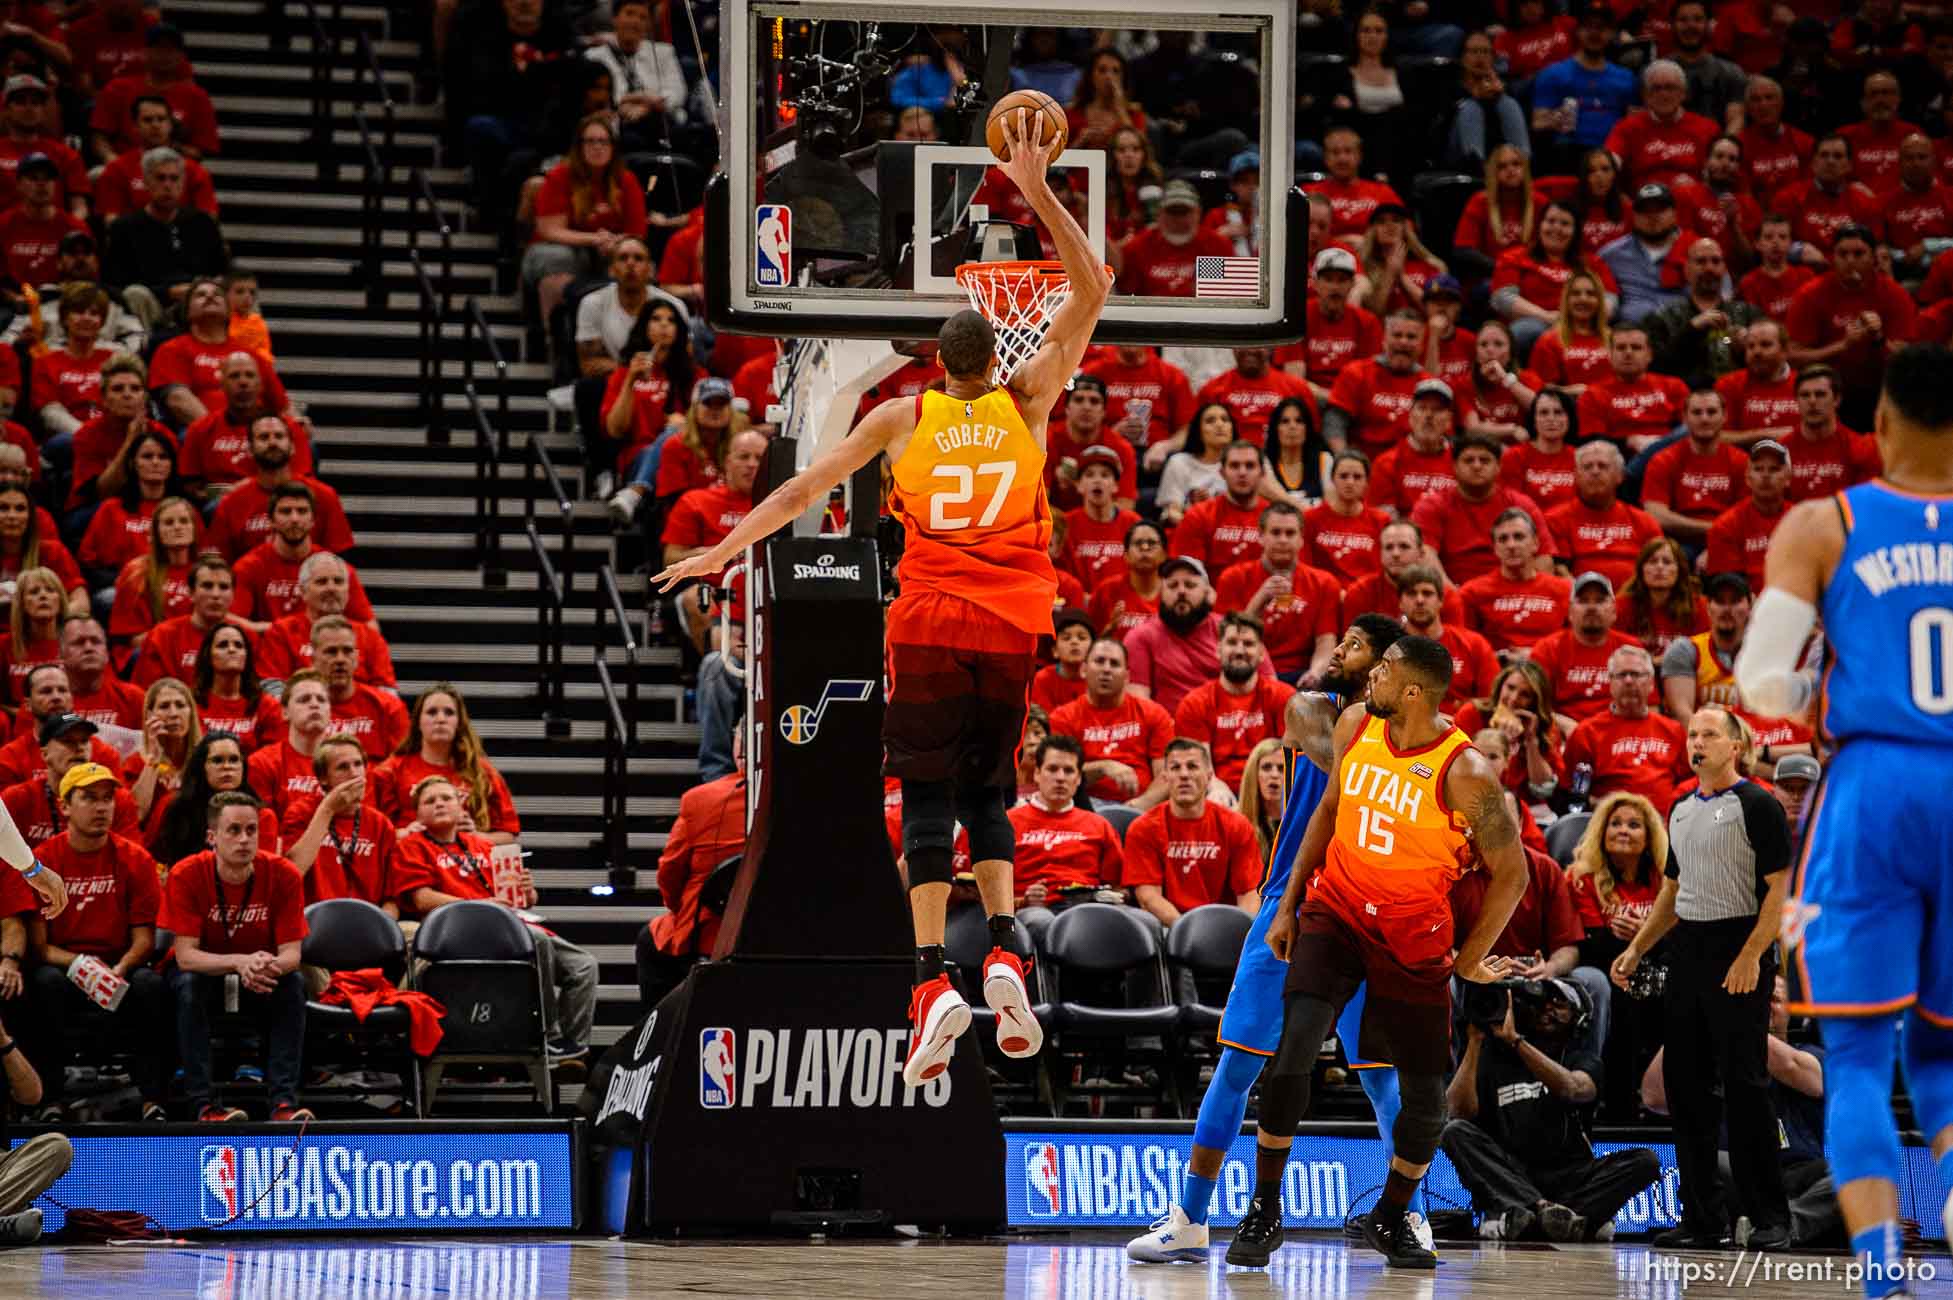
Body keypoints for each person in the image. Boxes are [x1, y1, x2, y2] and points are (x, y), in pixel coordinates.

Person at [653, 109, 1108, 1088]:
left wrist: (719, 550)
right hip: (1014, 624)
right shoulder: (1030, 399)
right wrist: (1032, 191)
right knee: (992, 793)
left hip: (931, 621)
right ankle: (1004, 950)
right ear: (998, 357)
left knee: (929, 797)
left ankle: (929, 977)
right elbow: (1095, 285)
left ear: (934, 364)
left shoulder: (903, 417)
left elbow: (798, 492)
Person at [1735, 342, 1953, 1291]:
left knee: (1860, 1053)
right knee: (1945, 1059)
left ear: (1880, 425)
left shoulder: (1823, 523)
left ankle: (1878, 1270)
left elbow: (1759, 681)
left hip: (1874, 785)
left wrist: (1815, 676)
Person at [1129, 615, 1424, 1266]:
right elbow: (1346, 765)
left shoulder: (1414, 733)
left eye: (1352, 647)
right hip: (1288, 903)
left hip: (1368, 909)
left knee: (1381, 1079)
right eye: (1339, 640)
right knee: (1236, 1064)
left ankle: (1407, 1219)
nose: (1336, 651)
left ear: (1385, 667)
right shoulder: (1309, 707)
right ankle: (1190, 1217)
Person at [1252, 637, 1528, 1268]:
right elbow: (1328, 810)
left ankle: (1392, 1216)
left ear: (1411, 690)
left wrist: (1466, 960)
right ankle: (1265, 1209)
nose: (1369, 674)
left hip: (1414, 932)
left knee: (1426, 1099)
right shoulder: (1355, 724)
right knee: (1296, 1047)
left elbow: (1512, 873)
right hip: (1337, 910)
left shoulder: (1465, 772)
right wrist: (1289, 905)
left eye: (1383, 669)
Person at [1610, 706, 1795, 1252]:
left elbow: (1779, 891)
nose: (1697, 742)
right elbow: (1674, 889)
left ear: (1734, 745)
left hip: (1741, 946)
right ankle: (1702, 1220)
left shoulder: (1758, 803)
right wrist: (1639, 948)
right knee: (1686, 1091)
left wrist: (1752, 957)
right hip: (1688, 950)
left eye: (1709, 734)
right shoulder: (1681, 806)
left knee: (1746, 1087)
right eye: (1692, 734)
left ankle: (1771, 1219)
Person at [1442, 973, 1660, 1240]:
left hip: (1571, 1176)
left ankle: (1532, 1217)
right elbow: (1457, 1111)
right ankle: (1550, 1213)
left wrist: (1517, 1042)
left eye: (1560, 1004)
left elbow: (1574, 1089)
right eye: (1545, 1003)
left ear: (1579, 1017)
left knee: (1646, 1161)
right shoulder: (1495, 1057)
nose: (1549, 1010)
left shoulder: (1581, 1058)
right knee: (1454, 1131)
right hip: (1514, 1175)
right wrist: (1475, 1042)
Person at [399, 775, 595, 1065]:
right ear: (418, 814)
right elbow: (421, 899)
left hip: (509, 924)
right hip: (456, 931)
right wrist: (479, 906)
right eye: (430, 801)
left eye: (446, 798)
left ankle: (572, 1050)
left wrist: (527, 892)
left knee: (584, 966)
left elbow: (519, 898)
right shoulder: (413, 846)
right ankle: (548, 1037)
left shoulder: (483, 845)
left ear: (460, 808)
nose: (439, 803)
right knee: (535, 940)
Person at [1643, 975, 1842, 1248]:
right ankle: (1764, 1224)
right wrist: (1688, 1024)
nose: (1763, 1006)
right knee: (1703, 1160)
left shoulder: (1810, 1054)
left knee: (1852, 1170)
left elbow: (1797, 1070)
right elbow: (1653, 1097)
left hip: (1800, 1173)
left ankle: (1786, 1224)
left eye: (1772, 999)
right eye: (1757, 1000)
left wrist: (1730, 1014)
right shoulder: (1709, 1063)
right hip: (1735, 1172)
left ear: (1792, 1010)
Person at [19, 760, 166, 1121]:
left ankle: (153, 1098)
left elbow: (145, 939)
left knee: (151, 985)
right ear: (65, 806)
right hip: (62, 966)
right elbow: (38, 946)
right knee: (41, 983)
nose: (102, 807)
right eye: (89, 798)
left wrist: (118, 969)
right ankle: (48, 1098)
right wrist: (80, 965)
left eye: (107, 798)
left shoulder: (135, 858)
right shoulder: (43, 861)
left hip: (119, 963)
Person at [161, 791, 311, 1123]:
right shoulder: (186, 874)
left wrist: (259, 965)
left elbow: (292, 955)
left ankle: (283, 1104)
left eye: (251, 830)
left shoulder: (284, 874)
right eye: (233, 830)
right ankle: (203, 1105)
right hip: (204, 975)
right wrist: (239, 962)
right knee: (188, 985)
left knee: (292, 984)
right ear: (211, 837)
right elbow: (186, 956)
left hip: (259, 974)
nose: (244, 839)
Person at [1569, 791, 1672, 1117]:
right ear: (1602, 831)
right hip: (1604, 971)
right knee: (1628, 998)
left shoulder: (1665, 880)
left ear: (1649, 835)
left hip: (1656, 968)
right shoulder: (1581, 879)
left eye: (1634, 824)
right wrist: (1636, 938)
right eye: (1615, 824)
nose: (1623, 830)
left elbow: (1680, 935)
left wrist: (1645, 937)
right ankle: (1620, 1108)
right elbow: (1586, 944)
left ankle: (1669, 1101)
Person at [640, 721, 745, 1006]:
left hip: (709, 937)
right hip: (780, 936)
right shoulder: (799, 801)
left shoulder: (700, 800)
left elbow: (670, 875)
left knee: (650, 941)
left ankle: (656, 1045)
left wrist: (678, 910)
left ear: (739, 748)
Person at [1123, 739, 1261, 931]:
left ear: (1208, 776)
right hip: (1169, 927)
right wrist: (1188, 931)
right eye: (1175, 768)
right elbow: (1148, 897)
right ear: (1165, 777)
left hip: (1225, 926)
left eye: (1192, 766)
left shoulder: (1236, 825)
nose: (1184, 775)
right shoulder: (1143, 828)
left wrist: (1242, 930)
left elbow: (1248, 892)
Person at [285, 734, 421, 911]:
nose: (354, 773)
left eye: (358, 764)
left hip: (367, 921)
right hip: (315, 920)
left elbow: (391, 899)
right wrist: (328, 809)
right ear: (323, 778)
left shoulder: (380, 823)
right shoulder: (301, 812)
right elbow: (293, 872)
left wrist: (381, 927)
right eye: (343, 767)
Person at [1126, 556, 1278, 712]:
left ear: (1207, 591)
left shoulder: (1230, 631)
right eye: (1172, 585)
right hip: (1173, 730)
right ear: (1161, 593)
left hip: (1234, 723)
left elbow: (1272, 689)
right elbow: (1139, 705)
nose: (1181, 591)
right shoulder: (1141, 637)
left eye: (1190, 585)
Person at [372, 683, 519, 845]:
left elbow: (508, 835)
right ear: (418, 723)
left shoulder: (482, 771)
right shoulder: (389, 771)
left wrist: (475, 837)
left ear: (459, 723)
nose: (440, 719)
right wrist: (406, 833)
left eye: (449, 713)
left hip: (467, 863)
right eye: (431, 712)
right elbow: (371, 832)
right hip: (411, 862)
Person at [1213, 505, 1340, 683]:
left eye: (1290, 533)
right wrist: (1260, 598)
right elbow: (1229, 641)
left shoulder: (1324, 582)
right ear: (1261, 537)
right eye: (1275, 532)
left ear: (1301, 539)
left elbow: (1325, 641)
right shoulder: (1233, 578)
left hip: (1301, 674)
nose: (1283, 540)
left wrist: (1316, 672)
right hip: (1249, 672)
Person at [1409, 434, 1553, 587]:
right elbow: (1425, 556)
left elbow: (1544, 559)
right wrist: (1456, 599)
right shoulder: (1431, 506)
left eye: (1484, 460)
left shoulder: (1521, 504)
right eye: (1468, 460)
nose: (1477, 466)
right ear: (1454, 467)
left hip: (1512, 594)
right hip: (1454, 593)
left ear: (1498, 467)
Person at [1047, 637, 1173, 809]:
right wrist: (1103, 767)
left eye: (1114, 664)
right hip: (1082, 807)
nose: (1106, 669)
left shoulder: (1153, 713)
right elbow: (1058, 774)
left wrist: (1140, 805)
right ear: (1084, 669)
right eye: (1099, 661)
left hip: (1142, 806)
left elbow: (1166, 774)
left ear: (1127, 676)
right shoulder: (1063, 718)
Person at [205, 417, 353, 562]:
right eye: (264, 437)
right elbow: (219, 564)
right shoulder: (232, 503)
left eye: (279, 436)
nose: (272, 442)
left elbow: (339, 558)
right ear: (249, 450)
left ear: (292, 447)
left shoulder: (324, 496)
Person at [1172, 615, 1294, 789]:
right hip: (1218, 793)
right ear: (1218, 650)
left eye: (1248, 644)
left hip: (1270, 790)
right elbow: (1198, 766)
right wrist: (1216, 789)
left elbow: (1292, 761)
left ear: (1261, 654)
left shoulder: (1284, 697)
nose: (1239, 651)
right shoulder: (1194, 703)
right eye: (1231, 642)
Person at [1565, 645, 1692, 810]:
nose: (1629, 681)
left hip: (1667, 824)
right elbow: (1572, 795)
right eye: (1621, 675)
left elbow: (1689, 783)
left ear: (1651, 683)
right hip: (1610, 823)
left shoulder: (1674, 730)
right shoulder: (1587, 732)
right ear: (1610, 682)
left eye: (1636, 674)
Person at [231, 484, 376, 625]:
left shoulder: (335, 568)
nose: (294, 519)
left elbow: (370, 626)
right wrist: (284, 633)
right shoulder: (249, 567)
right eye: (286, 511)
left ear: (313, 520)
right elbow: (233, 622)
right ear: (271, 521)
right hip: (271, 647)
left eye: (302, 511)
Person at [254, 552, 395, 688]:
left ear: (348, 590)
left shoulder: (370, 637)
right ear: (303, 592)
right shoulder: (281, 632)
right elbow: (272, 687)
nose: (331, 588)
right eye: (322, 582)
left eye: (338, 581)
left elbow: (386, 692)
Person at [1528, 572, 1642, 729]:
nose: (1592, 607)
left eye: (1600, 600)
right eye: (1583, 601)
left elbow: (1649, 706)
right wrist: (1570, 728)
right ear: (1570, 612)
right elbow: (1533, 705)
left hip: (1620, 732)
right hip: (1562, 733)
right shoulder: (1547, 649)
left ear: (1614, 611)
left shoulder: (1631, 649)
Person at [1642, 239, 1759, 389]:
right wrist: (1691, 330)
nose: (1709, 268)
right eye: (1701, 262)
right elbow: (1654, 367)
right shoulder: (1663, 317)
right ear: (1687, 270)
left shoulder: (1749, 314)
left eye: (1716, 261)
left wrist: (1748, 348)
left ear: (1724, 269)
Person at [149, 731, 278, 866]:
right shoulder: (175, 807)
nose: (227, 767)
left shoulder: (262, 817)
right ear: (201, 767)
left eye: (234, 760)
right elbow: (153, 859)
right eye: (217, 760)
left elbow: (262, 870)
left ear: (243, 767)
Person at [1546, 442, 1663, 589]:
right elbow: (1560, 571)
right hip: (1582, 602)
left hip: (1637, 601)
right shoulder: (1555, 519)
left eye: (1603, 466)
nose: (1595, 472)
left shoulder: (1644, 522)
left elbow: (1660, 566)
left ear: (1620, 476)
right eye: (1588, 467)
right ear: (1576, 476)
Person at [1641, 388, 1749, 544]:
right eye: (1697, 413)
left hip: (1729, 542)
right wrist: (1714, 529)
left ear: (1724, 416)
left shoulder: (1741, 461)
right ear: (1684, 418)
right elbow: (1656, 515)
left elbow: (1747, 516)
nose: (1704, 419)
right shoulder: (1663, 460)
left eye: (1711, 412)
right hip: (1678, 543)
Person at [1460, 509, 1572, 658]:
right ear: (1495, 548)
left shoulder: (1565, 590)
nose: (1511, 545)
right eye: (1503, 539)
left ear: (1535, 543)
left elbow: (1576, 645)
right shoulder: (1472, 592)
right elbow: (1465, 648)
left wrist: (1537, 655)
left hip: (1551, 670)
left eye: (1518, 537)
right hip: (1497, 671)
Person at [1325, 311, 1431, 457]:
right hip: (1363, 465)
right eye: (1397, 335)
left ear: (1421, 345)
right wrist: (1346, 461)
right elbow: (1334, 423)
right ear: (1384, 340)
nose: (1403, 342)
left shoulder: (1429, 386)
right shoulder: (1356, 373)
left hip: (1411, 468)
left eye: (1411, 337)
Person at [1397, 564, 1498, 714]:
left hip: (1461, 731)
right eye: (1411, 593)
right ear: (1400, 602)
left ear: (1441, 601)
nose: (1419, 600)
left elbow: (1492, 701)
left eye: (1427, 593)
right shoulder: (1388, 646)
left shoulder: (1474, 644)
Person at [1605, 60, 1720, 190]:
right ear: (1646, 95)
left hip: (1692, 204)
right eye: (1656, 88)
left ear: (1683, 93)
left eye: (1670, 88)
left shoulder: (1707, 128)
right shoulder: (1626, 128)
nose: (1663, 94)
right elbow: (1607, 165)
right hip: (1641, 205)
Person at [244, 669, 334, 831]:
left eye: (321, 700)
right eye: (304, 700)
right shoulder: (261, 763)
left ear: (330, 711)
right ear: (285, 712)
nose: (314, 704)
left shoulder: (349, 762)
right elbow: (262, 829)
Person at [1706, 441, 1794, 590]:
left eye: (1774, 469)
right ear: (1747, 478)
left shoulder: (1803, 521)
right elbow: (1729, 588)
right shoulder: (1725, 525)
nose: (1766, 475)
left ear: (1788, 478)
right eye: (1758, 469)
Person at [1365, 380, 1459, 517]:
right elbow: (1383, 520)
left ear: (1449, 420)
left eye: (1437, 409)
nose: (1429, 416)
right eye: (1422, 408)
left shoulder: (1461, 462)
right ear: (1410, 416)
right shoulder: (1387, 463)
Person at [191, 623, 281, 754]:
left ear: (246, 656)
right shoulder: (192, 703)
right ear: (208, 656)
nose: (232, 650)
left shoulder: (266, 706)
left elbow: (273, 757)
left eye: (239, 645)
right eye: (223, 645)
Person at [1303, 451, 1389, 584]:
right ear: (1332, 479)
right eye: (1343, 476)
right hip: (1323, 594)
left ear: (1367, 482)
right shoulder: (1310, 519)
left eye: (1357, 477)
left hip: (1366, 597)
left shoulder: (1381, 521)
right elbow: (1305, 569)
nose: (1350, 482)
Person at [1617, 537, 1710, 655]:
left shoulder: (1699, 606)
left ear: (1679, 570)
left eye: (1667, 562)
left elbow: (1702, 653)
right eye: (1652, 561)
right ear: (1641, 570)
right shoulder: (1622, 605)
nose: (1660, 567)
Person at [1088, 520, 1163, 639]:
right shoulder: (1106, 590)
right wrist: (1110, 629)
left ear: (1164, 554)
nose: (1144, 547)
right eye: (1138, 543)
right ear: (1126, 555)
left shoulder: (1174, 592)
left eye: (1152, 543)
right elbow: (1089, 645)